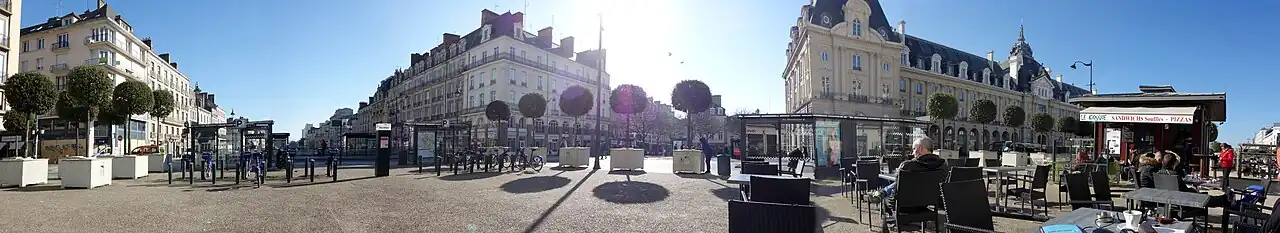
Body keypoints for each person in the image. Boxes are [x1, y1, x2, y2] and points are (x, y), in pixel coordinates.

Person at [871, 137, 947, 227]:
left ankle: (889, 221)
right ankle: (883, 192)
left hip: (904, 206)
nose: (912, 153)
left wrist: (891, 197)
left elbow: (897, 189)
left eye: (914, 149)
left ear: (921, 149)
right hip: (927, 204)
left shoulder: (907, 165)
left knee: (887, 197)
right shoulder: (943, 165)